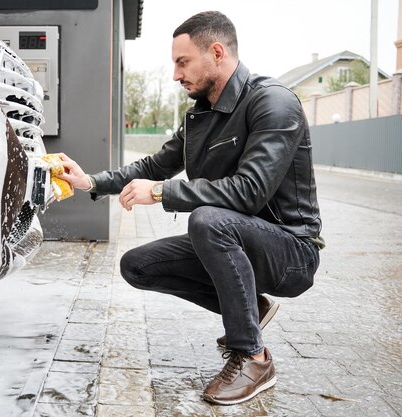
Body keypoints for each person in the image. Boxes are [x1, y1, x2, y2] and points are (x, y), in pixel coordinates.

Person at [58, 10, 324, 406]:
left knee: (208, 221)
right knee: (137, 265)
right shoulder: (200, 115)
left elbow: (250, 191)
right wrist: (91, 182)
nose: (176, 74)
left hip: (291, 250)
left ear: (216, 52)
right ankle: (252, 308)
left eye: (182, 62)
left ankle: (253, 356)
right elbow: (152, 165)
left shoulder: (274, 103)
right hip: (234, 236)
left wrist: (163, 193)